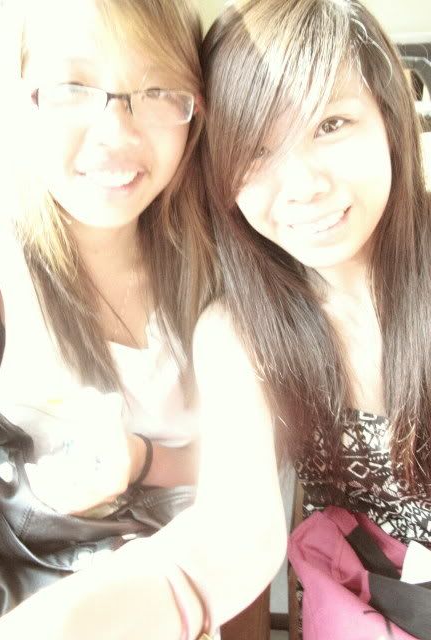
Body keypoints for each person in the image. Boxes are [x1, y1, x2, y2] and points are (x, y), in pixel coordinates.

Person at [0, 0, 286, 638]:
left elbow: (245, 500)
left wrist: (140, 459)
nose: (116, 134)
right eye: (72, 87)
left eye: (157, 90)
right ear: (21, 95)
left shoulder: (223, 278)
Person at [201, 0, 431, 585]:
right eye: (256, 150)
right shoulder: (240, 334)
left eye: (330, 125)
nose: (303, 185)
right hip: (363, 612)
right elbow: (232, 528)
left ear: (388, 118)